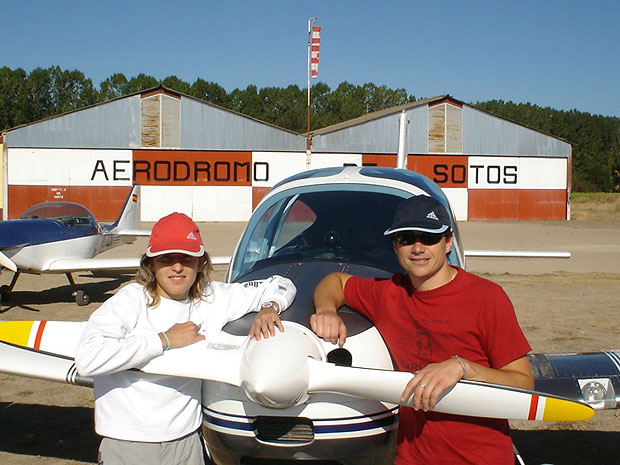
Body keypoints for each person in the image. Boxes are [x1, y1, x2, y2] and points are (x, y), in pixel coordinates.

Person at [310, 195, 533, 465]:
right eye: (406, 238)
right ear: (395, 245)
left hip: (481, 456)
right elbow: (335, 282)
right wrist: (326, 311)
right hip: (413, 457)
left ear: (448, 243)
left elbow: (524, 385)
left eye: (429, 238)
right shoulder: (389, 293)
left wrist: (464, 368)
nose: (418, 248)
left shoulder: (488, 298)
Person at [76, 212, 296, 465]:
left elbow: (281, 283)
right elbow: (88, 359)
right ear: (150, 264)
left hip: (187, 443)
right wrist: (163, 340)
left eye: (186, 258)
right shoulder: (129, 300)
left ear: (201, 263)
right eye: (166, 258)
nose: (177, 267)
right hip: (128, 442)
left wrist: (270, 306)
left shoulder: (213, 297)